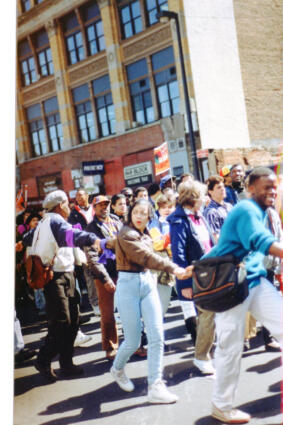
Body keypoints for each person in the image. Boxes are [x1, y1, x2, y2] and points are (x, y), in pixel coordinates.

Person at [192, 167, 283, 424]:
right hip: (231, 286)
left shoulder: (261, 210)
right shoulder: (246, 209)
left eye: (274, 186)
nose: (272, 191)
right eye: (266, 186)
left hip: (252, 281)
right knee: (229, 348)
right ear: (250, 188)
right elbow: (261, 241)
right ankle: (221, 405)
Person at [111, 198, 189, 403]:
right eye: (136, 212)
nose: (139, 216)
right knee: (133, 341)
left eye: (143, 213)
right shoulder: (125, 233)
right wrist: (173, 267)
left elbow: (151, 253)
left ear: (149, 216)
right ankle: (117, 369)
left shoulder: (146, 234)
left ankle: (155, 385)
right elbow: (146, 257)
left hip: (147, 282)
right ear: (130, 213)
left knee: (157, 335)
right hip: (127, 286)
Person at [21, 190, 100, 383]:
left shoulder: (44, 222)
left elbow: (27, 238)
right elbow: (70, 236)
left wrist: (22, 242)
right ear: (59, 205)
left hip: (66, 274)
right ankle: (43, 359)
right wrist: (92, 239)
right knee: (62, 322)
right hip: (56, 277)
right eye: (67, 203)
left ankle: (66, 362)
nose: (69, 206)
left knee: (73, 320)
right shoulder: (55, 220)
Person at [168, 181, 216, 375]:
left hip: (210, 273)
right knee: (207, 316)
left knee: (211, 315)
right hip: (195, 277)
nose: (205, 199)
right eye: (202, 196)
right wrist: (185, 282)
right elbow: (178, 255)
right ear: (193, 198)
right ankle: (202, 356)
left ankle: (204, 354)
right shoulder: (179, 221)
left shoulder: (200, 216)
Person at [84, 195, 122, 360]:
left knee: (129, 310)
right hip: (104, 275)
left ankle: (134, 344)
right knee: (107, 314)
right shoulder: (90, 229)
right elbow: (92, 259)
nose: (104, 207)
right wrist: (105, 279)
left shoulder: (116, 221)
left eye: (106, 204)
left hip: (123, 271)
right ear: (94, 208)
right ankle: (110, 346)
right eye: (100, 205)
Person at [68, 188, 100, 317]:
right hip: (85, 247)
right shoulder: (74, 213)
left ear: (87, 196)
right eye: (77, 196)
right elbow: (72, 231)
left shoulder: (95, 208)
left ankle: (108, 302)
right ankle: (95, 304)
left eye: (82, 195)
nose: (80, 198)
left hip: (99, 244)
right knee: (90, 276)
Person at [204, 175, 233, 241]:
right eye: (219, 187)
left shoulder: (229, 206)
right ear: (210, 192)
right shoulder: (210, 212)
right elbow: (215, 238)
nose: (223, 189)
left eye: (223, 186)